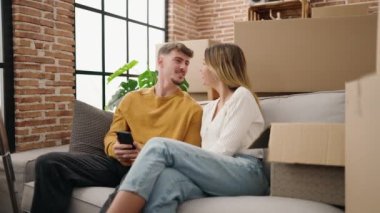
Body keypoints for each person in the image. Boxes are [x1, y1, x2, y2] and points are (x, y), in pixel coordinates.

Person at [30, 42, 203, 213]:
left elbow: (187, 156)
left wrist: (146, 154)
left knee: (120, 199)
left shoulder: (192, 109)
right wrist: (115, 147)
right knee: (49, 162)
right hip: (118, 164)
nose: (183, 67)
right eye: (178, 61)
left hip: (149, 170)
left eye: (187, 63)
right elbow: (112, 135)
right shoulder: (131, 99)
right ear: (160, 62)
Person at [107, 43, 269, 213]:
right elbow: (203, 152)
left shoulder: (242, 96)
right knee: (167, 180)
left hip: (247, 173)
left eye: (205, 63)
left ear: (219, 66)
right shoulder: (208, 109)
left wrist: (178, 159)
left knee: (158, 146)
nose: (201, 69)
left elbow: (224, 151)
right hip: (216, 174)